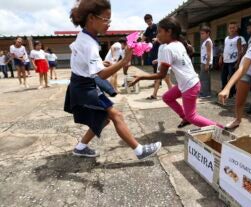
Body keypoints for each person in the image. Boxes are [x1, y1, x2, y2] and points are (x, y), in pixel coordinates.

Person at [65, 0, 161, 159]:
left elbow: (78, 55)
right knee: (116, 115)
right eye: (106, 19)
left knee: (104, 119)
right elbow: (101, 75)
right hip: (85, 87)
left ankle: (81, 147)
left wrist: (98, 63)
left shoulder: (83, 36)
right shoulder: (89, 44)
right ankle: (139, 151)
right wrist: (123, 62)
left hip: (80, 84)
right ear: (91, 18)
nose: (108, 24)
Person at [130, 17, 223, 129]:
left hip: (189, 85)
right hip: (191, 82)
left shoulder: (167, 49)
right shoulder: (178, 44)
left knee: (192, 116)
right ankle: (185, 117)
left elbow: (161, 75)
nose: (157, 35)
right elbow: (175, 60)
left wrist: (141, 77)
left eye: (159, 32)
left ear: (169, 32)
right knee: (167, 97)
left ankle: (220, 129)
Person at [221, 22, 242, 98]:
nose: (232, 29)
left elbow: (240, 51)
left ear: (236, 28)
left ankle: (231, 92)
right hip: (225, 61)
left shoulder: (238, 39)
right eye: (230, 28)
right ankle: (223, 90)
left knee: (231, 77)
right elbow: (224, 49)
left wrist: (238, 62)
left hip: (233, 61)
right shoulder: (226, 38)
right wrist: (221, 57)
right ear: (228, 29)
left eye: (233, 27)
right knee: (223, 77)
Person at [199, 26, 213, 99]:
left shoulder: (208, 41)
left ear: (208, 33)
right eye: (201, 34)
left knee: (205, 79)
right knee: (203, 78)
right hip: (204, 62)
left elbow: (209, 53)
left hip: (206, 63)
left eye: (203, 33)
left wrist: (207, 64)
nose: (201, 35)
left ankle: (206, 93)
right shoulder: (205, 41)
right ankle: (204, 92)